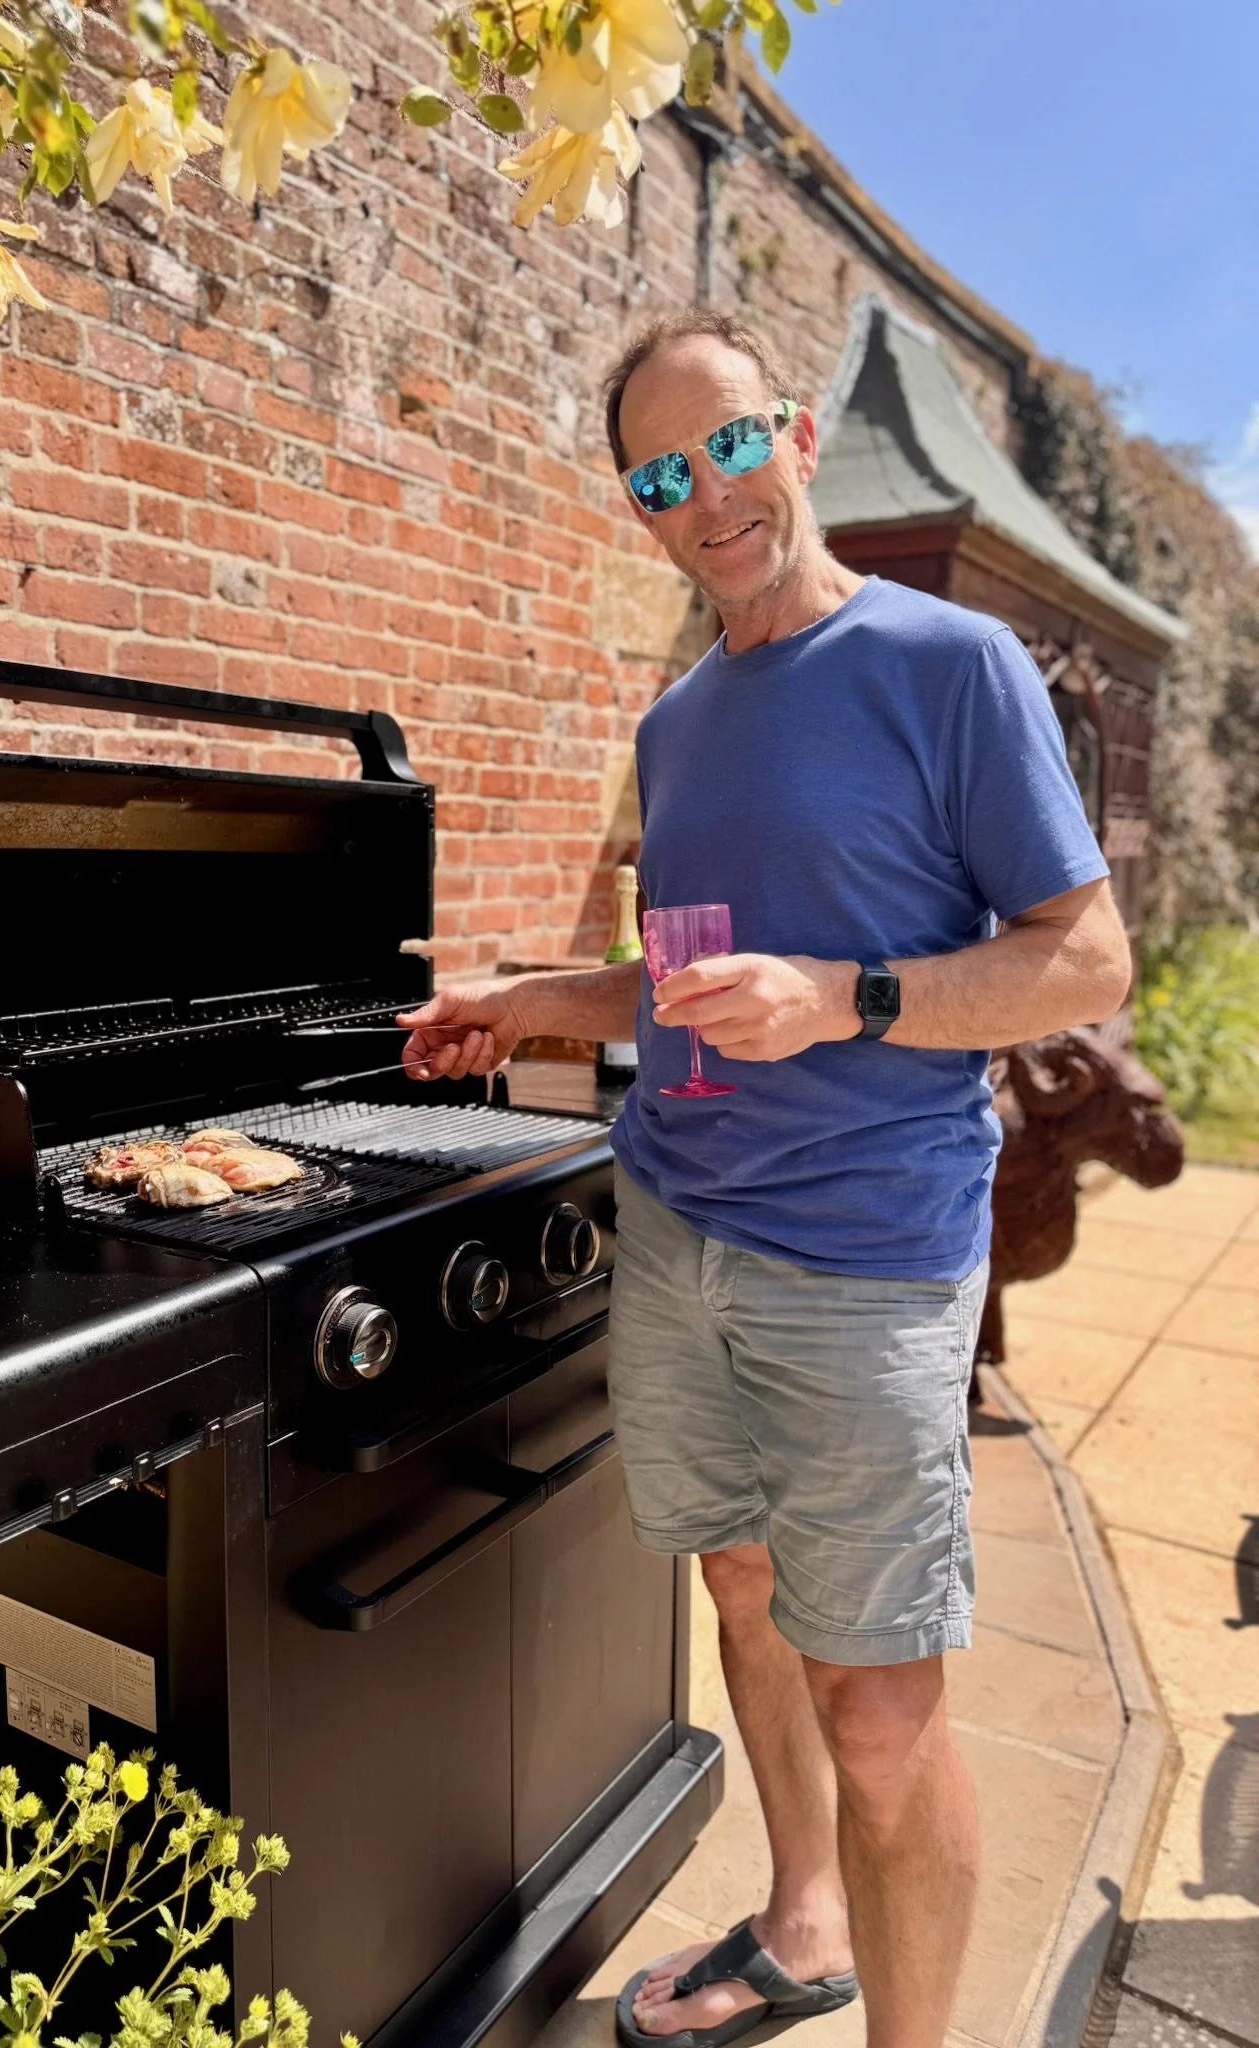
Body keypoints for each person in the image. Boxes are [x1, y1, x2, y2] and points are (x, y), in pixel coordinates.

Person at [396, 308, 1130, 2048]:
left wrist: (852, 998)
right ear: (642, 510)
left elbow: (1085, 962)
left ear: (794, 436)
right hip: (681, 1231)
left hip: (869, 1259)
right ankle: (803, 1922)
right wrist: (524, 1001)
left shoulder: (950, 666)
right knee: (737, 1589)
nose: (706, 494)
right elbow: (688, 979)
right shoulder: (677, 726)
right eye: (662, 475)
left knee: (882, 1713)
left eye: (728, 445)